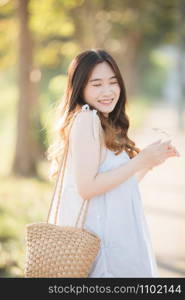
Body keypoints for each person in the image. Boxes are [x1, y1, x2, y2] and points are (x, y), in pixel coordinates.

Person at [47, 49, 180, 278]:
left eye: (113, 82)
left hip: (114, 236)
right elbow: (87, 188)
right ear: (80, 88)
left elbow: (114, 188)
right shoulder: (87, 119)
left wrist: (147, 163)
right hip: (102, 246)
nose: (107, 91)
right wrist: (140, 160)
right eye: (96, 84)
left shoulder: (100, 121)